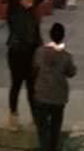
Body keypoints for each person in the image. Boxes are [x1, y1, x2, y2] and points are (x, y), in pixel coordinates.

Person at [6, 0, 46, 130]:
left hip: (33, 54)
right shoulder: (14, 10)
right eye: (28, 0)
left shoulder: (32, 10)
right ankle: (13, 117)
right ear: (21, 0)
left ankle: (35, 118)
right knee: (16, 85)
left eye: (32, 0)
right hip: (16, 53)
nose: (31, 3)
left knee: (32, 88)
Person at [32, 23, 77, 151]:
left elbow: (34, 67)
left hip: (41, 95)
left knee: (42, 128)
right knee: (55, 127)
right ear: (63, 37)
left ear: (50, 35)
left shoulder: (40, 52)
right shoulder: (66, 56)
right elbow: (71, 73)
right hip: (58, 96)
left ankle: (44, 147)